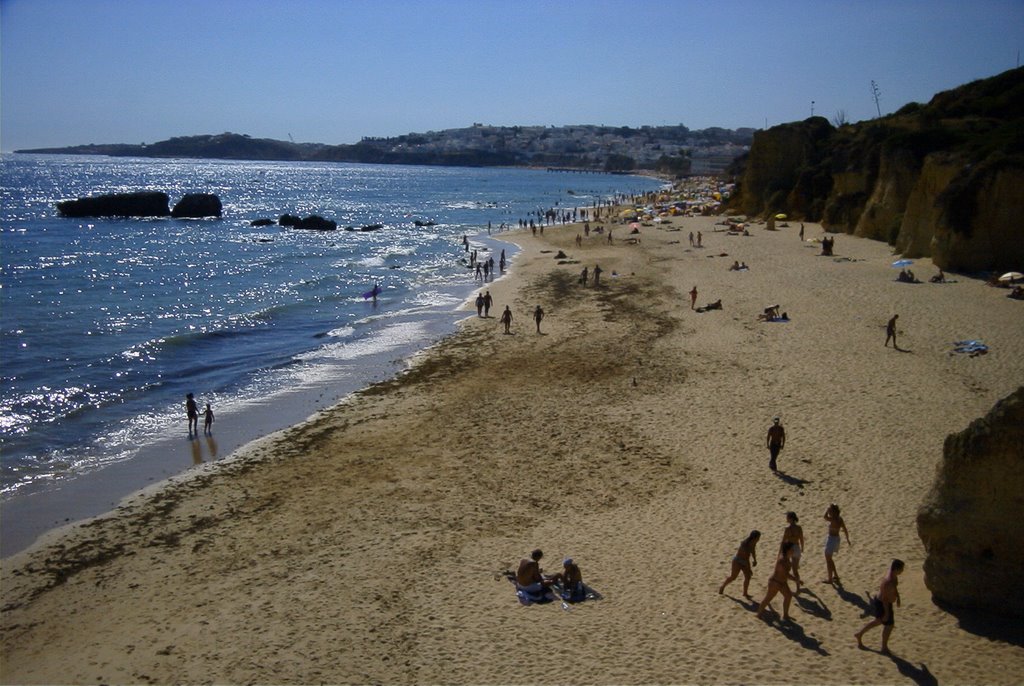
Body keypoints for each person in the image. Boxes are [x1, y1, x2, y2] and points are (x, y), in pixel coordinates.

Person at [855, 559, 905, 654]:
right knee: (888, 625)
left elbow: (895, 588)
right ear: (896, 569)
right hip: (882, 604)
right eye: (901, 569)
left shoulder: (893, 575)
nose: (902, 571)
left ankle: (859, 634)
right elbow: (885, 599)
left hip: (885, 603)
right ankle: (884, 647)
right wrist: (886, 613)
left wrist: (898, 597)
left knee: (878, 622)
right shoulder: (888, 581)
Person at [756, 542, 798, 621]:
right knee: (768, 598)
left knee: (788, 596)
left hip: (782, 582)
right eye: (792, 549)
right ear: (788, 550)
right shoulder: (782, 560)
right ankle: (759, 614)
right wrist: (796, 580)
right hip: (775, 582)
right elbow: (785, 574)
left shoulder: (787, 558)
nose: (793, 550)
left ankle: (785, 615)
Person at [719, 530, 761, 598]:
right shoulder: (745, 544)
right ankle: (722, 587)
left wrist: (755, 559)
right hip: (738, 561)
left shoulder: (753, 543)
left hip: (744, 561)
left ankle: (745, 593)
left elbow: (753, 551)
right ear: (754, 538)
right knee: (733, 577)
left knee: (748, 577)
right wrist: (749, 569)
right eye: (758, 538)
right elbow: (746, 558)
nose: (759, 539)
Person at [823, 504, 852, 584]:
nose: (830, 512)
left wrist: (826, 510)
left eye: (831, 510)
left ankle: (829, 579)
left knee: (828, 559)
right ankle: (835, 575)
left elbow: (825, 517)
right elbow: (845, 529)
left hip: (831, 540)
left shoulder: (833, 519)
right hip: (836, 539)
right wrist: (847, 539)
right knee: (830, 558)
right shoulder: (840, 519)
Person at [782, 511, 804, 589]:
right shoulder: (799, 528)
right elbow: (801, 539)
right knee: (795, 569)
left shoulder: (787, 529)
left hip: (790, 549)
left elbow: (784, 541)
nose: (786, 518)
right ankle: (798, 586)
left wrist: (780, 552)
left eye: (787, 517)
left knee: (789, 569)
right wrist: (802, 548)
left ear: (790, 519)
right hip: (797, 548)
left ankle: (798, 587)